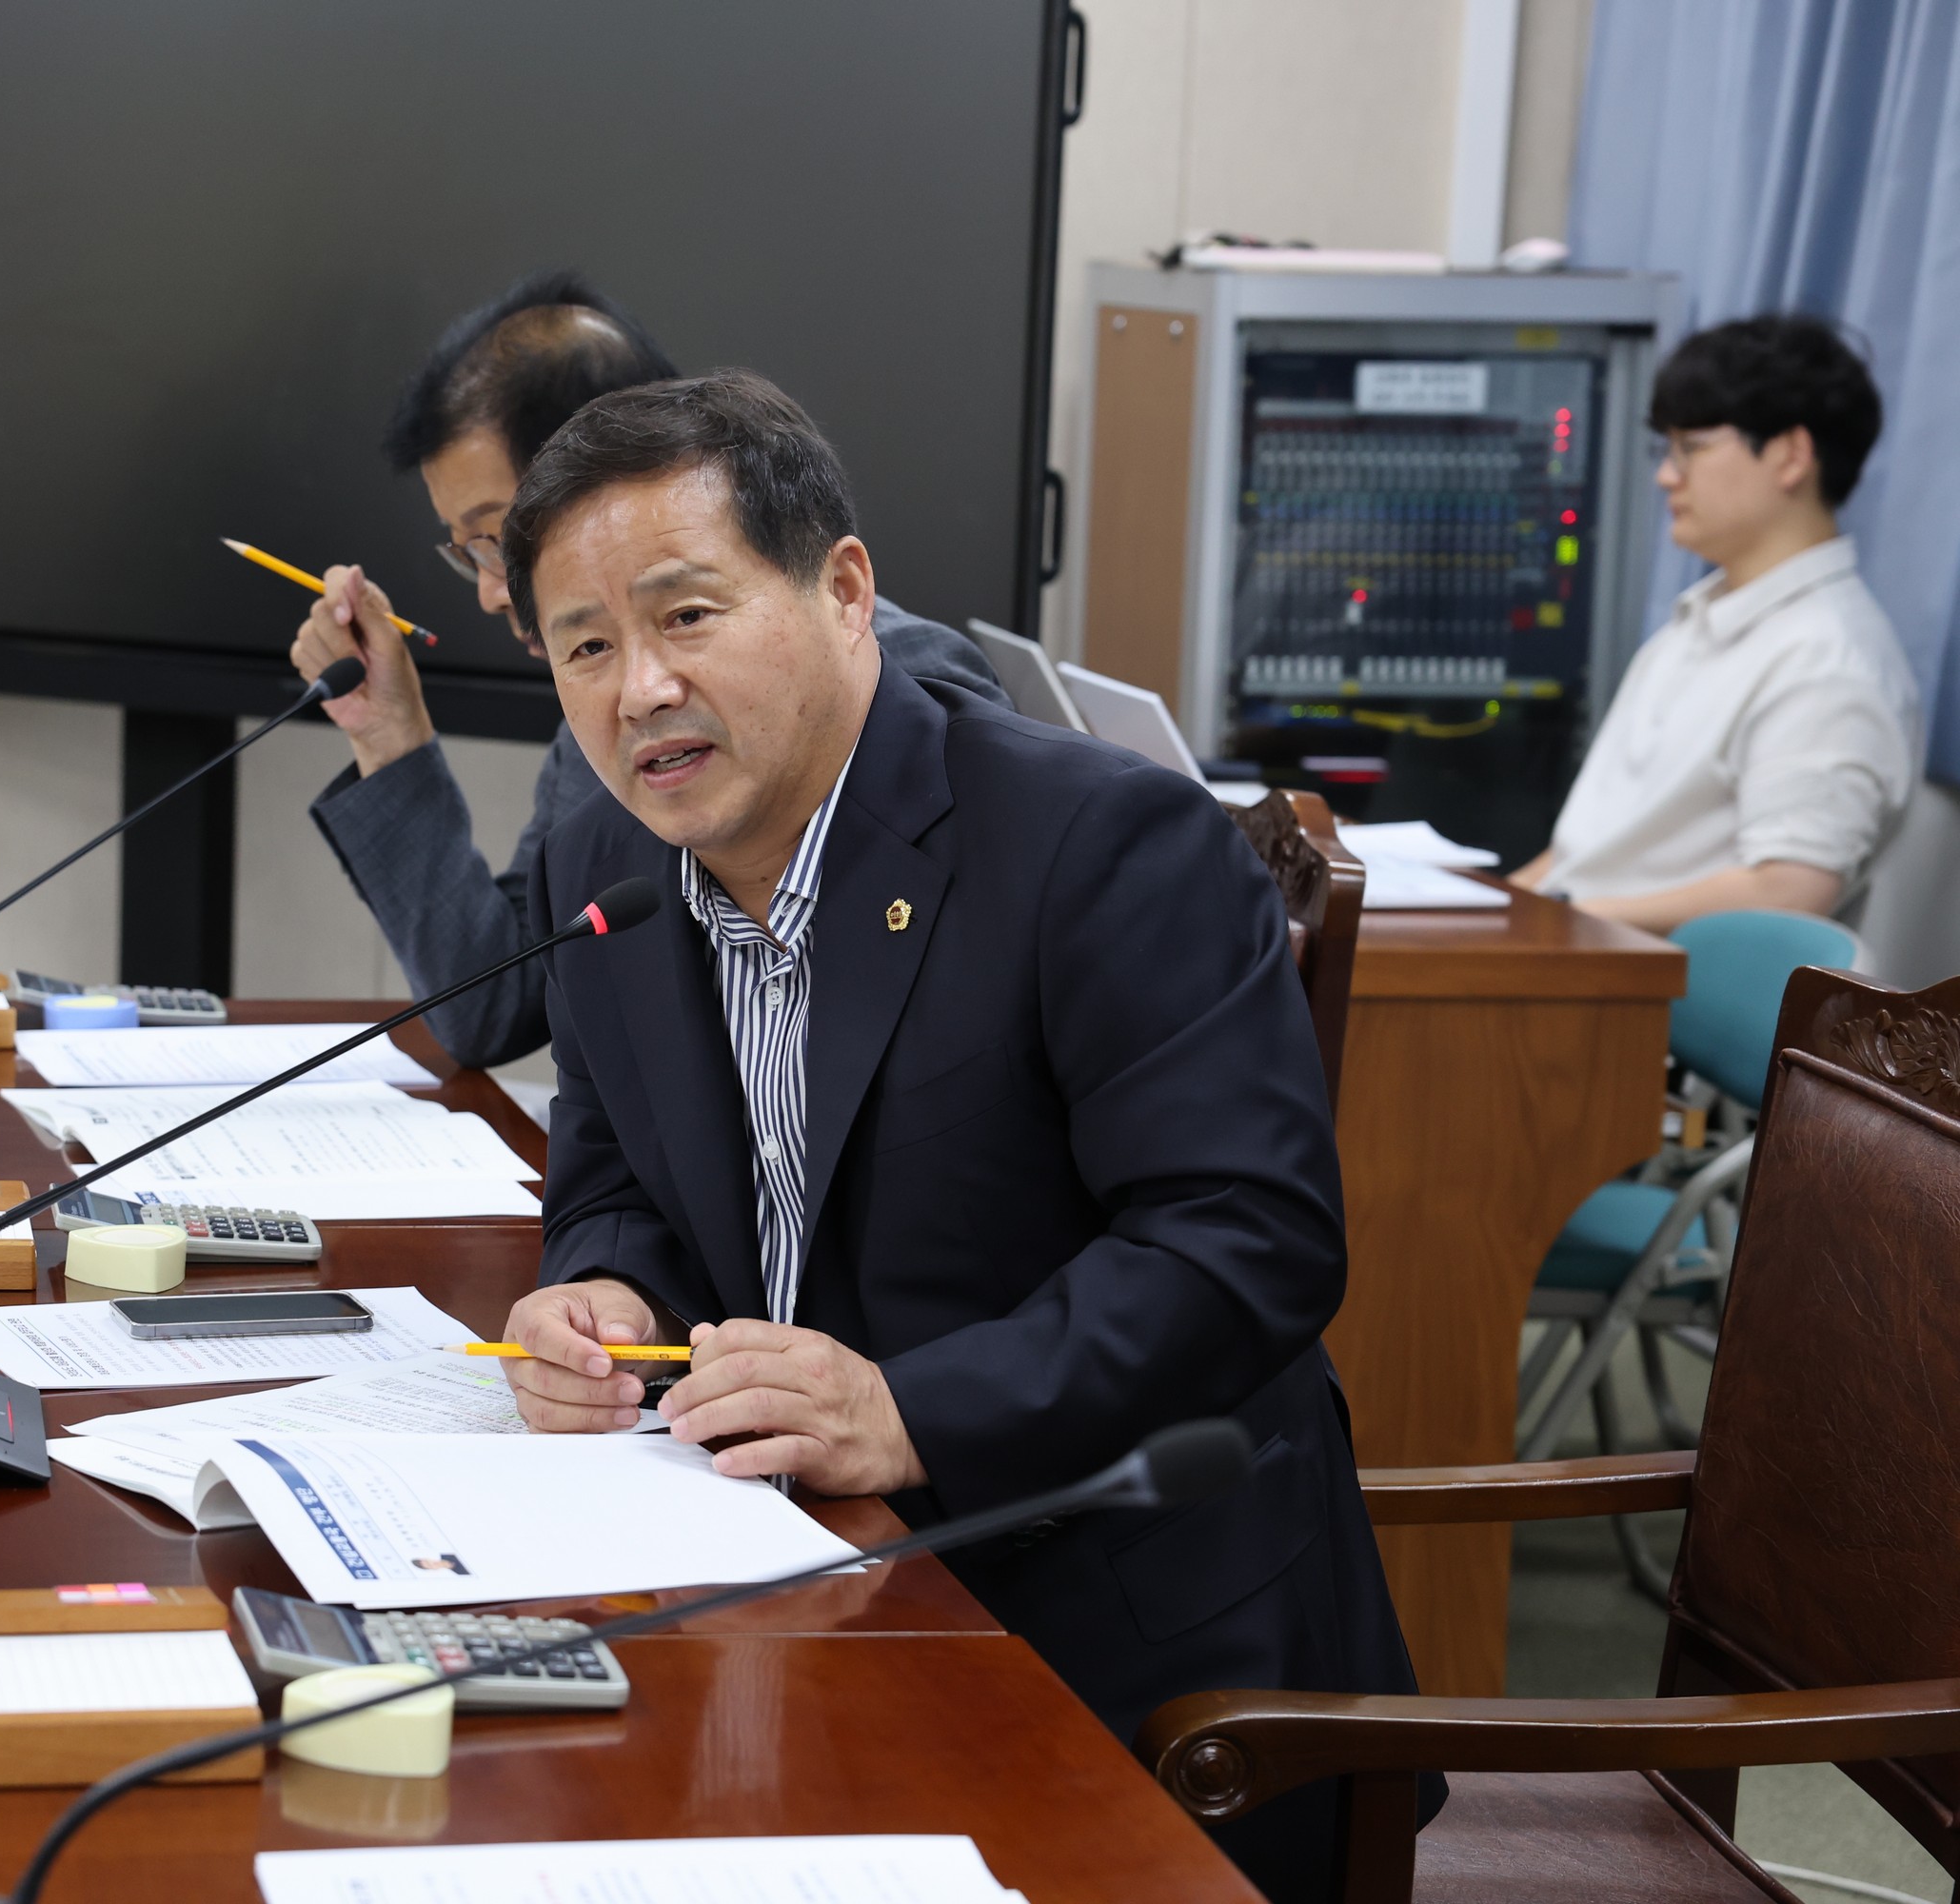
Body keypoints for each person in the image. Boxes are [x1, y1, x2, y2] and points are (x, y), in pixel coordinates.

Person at [493, 370, 1423, 1902]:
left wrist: (908, 1412)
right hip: (794, 1589)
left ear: (845, 591)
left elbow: (1246, 1244)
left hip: (1119, 1647)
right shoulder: (609, 861)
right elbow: (611, 1166)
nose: (639, 688)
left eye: (688, 616)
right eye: (585, 647)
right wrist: (606, 1289)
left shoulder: (1099, 842)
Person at [290, 272, 1004, 1070]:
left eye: (495, 538)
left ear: (593, 469)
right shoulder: (606, 706)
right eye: (471, 553)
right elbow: (500, 1001)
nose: (492, 591)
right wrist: (388, 734)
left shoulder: (907, 679)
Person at [1513, 315, 1915, 931]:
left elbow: (1789, 890)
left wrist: (1564, 921)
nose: (1666, 475)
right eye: (1666, 450)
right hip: (1575, 953)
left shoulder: (1825, 661)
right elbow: (1581, 859)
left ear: (1790, 455)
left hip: (1644, 983)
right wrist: (1487, 910)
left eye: (1691, 448)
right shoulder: (1696, 625)